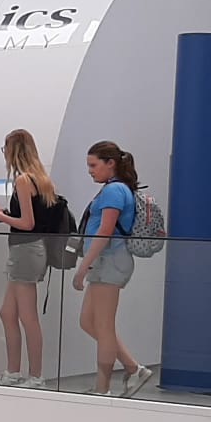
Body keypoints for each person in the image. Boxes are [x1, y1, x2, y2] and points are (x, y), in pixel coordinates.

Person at [71, 140, 154, 398]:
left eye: (93, 165)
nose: (90, 171)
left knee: (104, 325)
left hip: (110, 261)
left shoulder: (114, 191)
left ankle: (103, 387)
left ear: (110, 163)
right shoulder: (114, 189)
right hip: (105, 261)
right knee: (88, 322)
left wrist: (83, 267)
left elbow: (105, 231)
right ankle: (133, 368)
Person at [0, 130, 62, 389]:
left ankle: (35, 375)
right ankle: (14, 371)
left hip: (25, 250)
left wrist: (1, 216)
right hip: (31, 249)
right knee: (7, 313)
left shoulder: (22, 180)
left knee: (28, 316)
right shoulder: (41, 180)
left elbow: (27, 223)